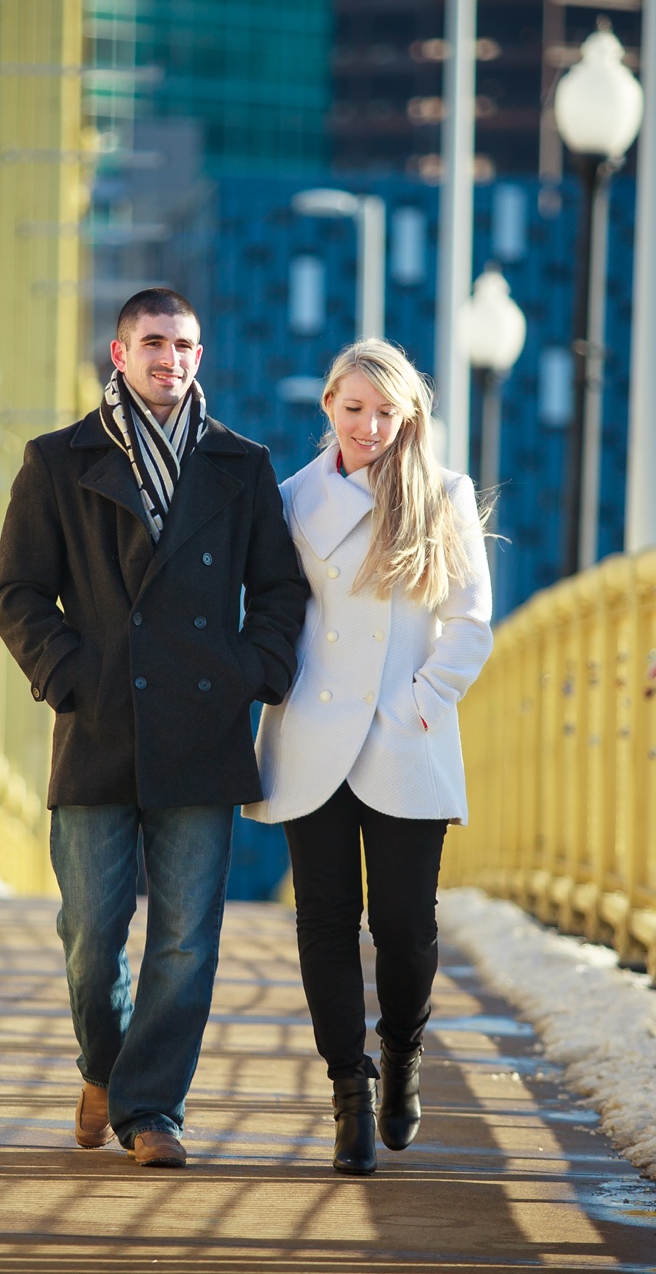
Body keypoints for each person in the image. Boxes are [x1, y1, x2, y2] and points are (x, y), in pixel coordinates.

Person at [0, 288, 310, 1168]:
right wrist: (72, 675)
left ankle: (151, 1108)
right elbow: (17, 592)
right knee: (92, 935)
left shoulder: (239, 465)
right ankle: (105, 1063)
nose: (173, 359)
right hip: (98, 725)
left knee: (184, 938)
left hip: (202, 730)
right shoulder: (58, 461)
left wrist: (251, 672)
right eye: (156, 343)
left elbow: (280, 591)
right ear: (119, 353)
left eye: (187, 345)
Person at [243, 338, 493, 1176]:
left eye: (386, 411)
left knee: (404, 924)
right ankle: (349, 1087)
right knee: (322, 922)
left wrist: (421, 703)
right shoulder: (289, 498)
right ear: (329, 409)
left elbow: (469, 625)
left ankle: (403, 1051)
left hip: (401, 733)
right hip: (313, 729)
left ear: (409, 415)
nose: (369, 426)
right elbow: (273, 606)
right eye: (354, 408)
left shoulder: (445, 495)